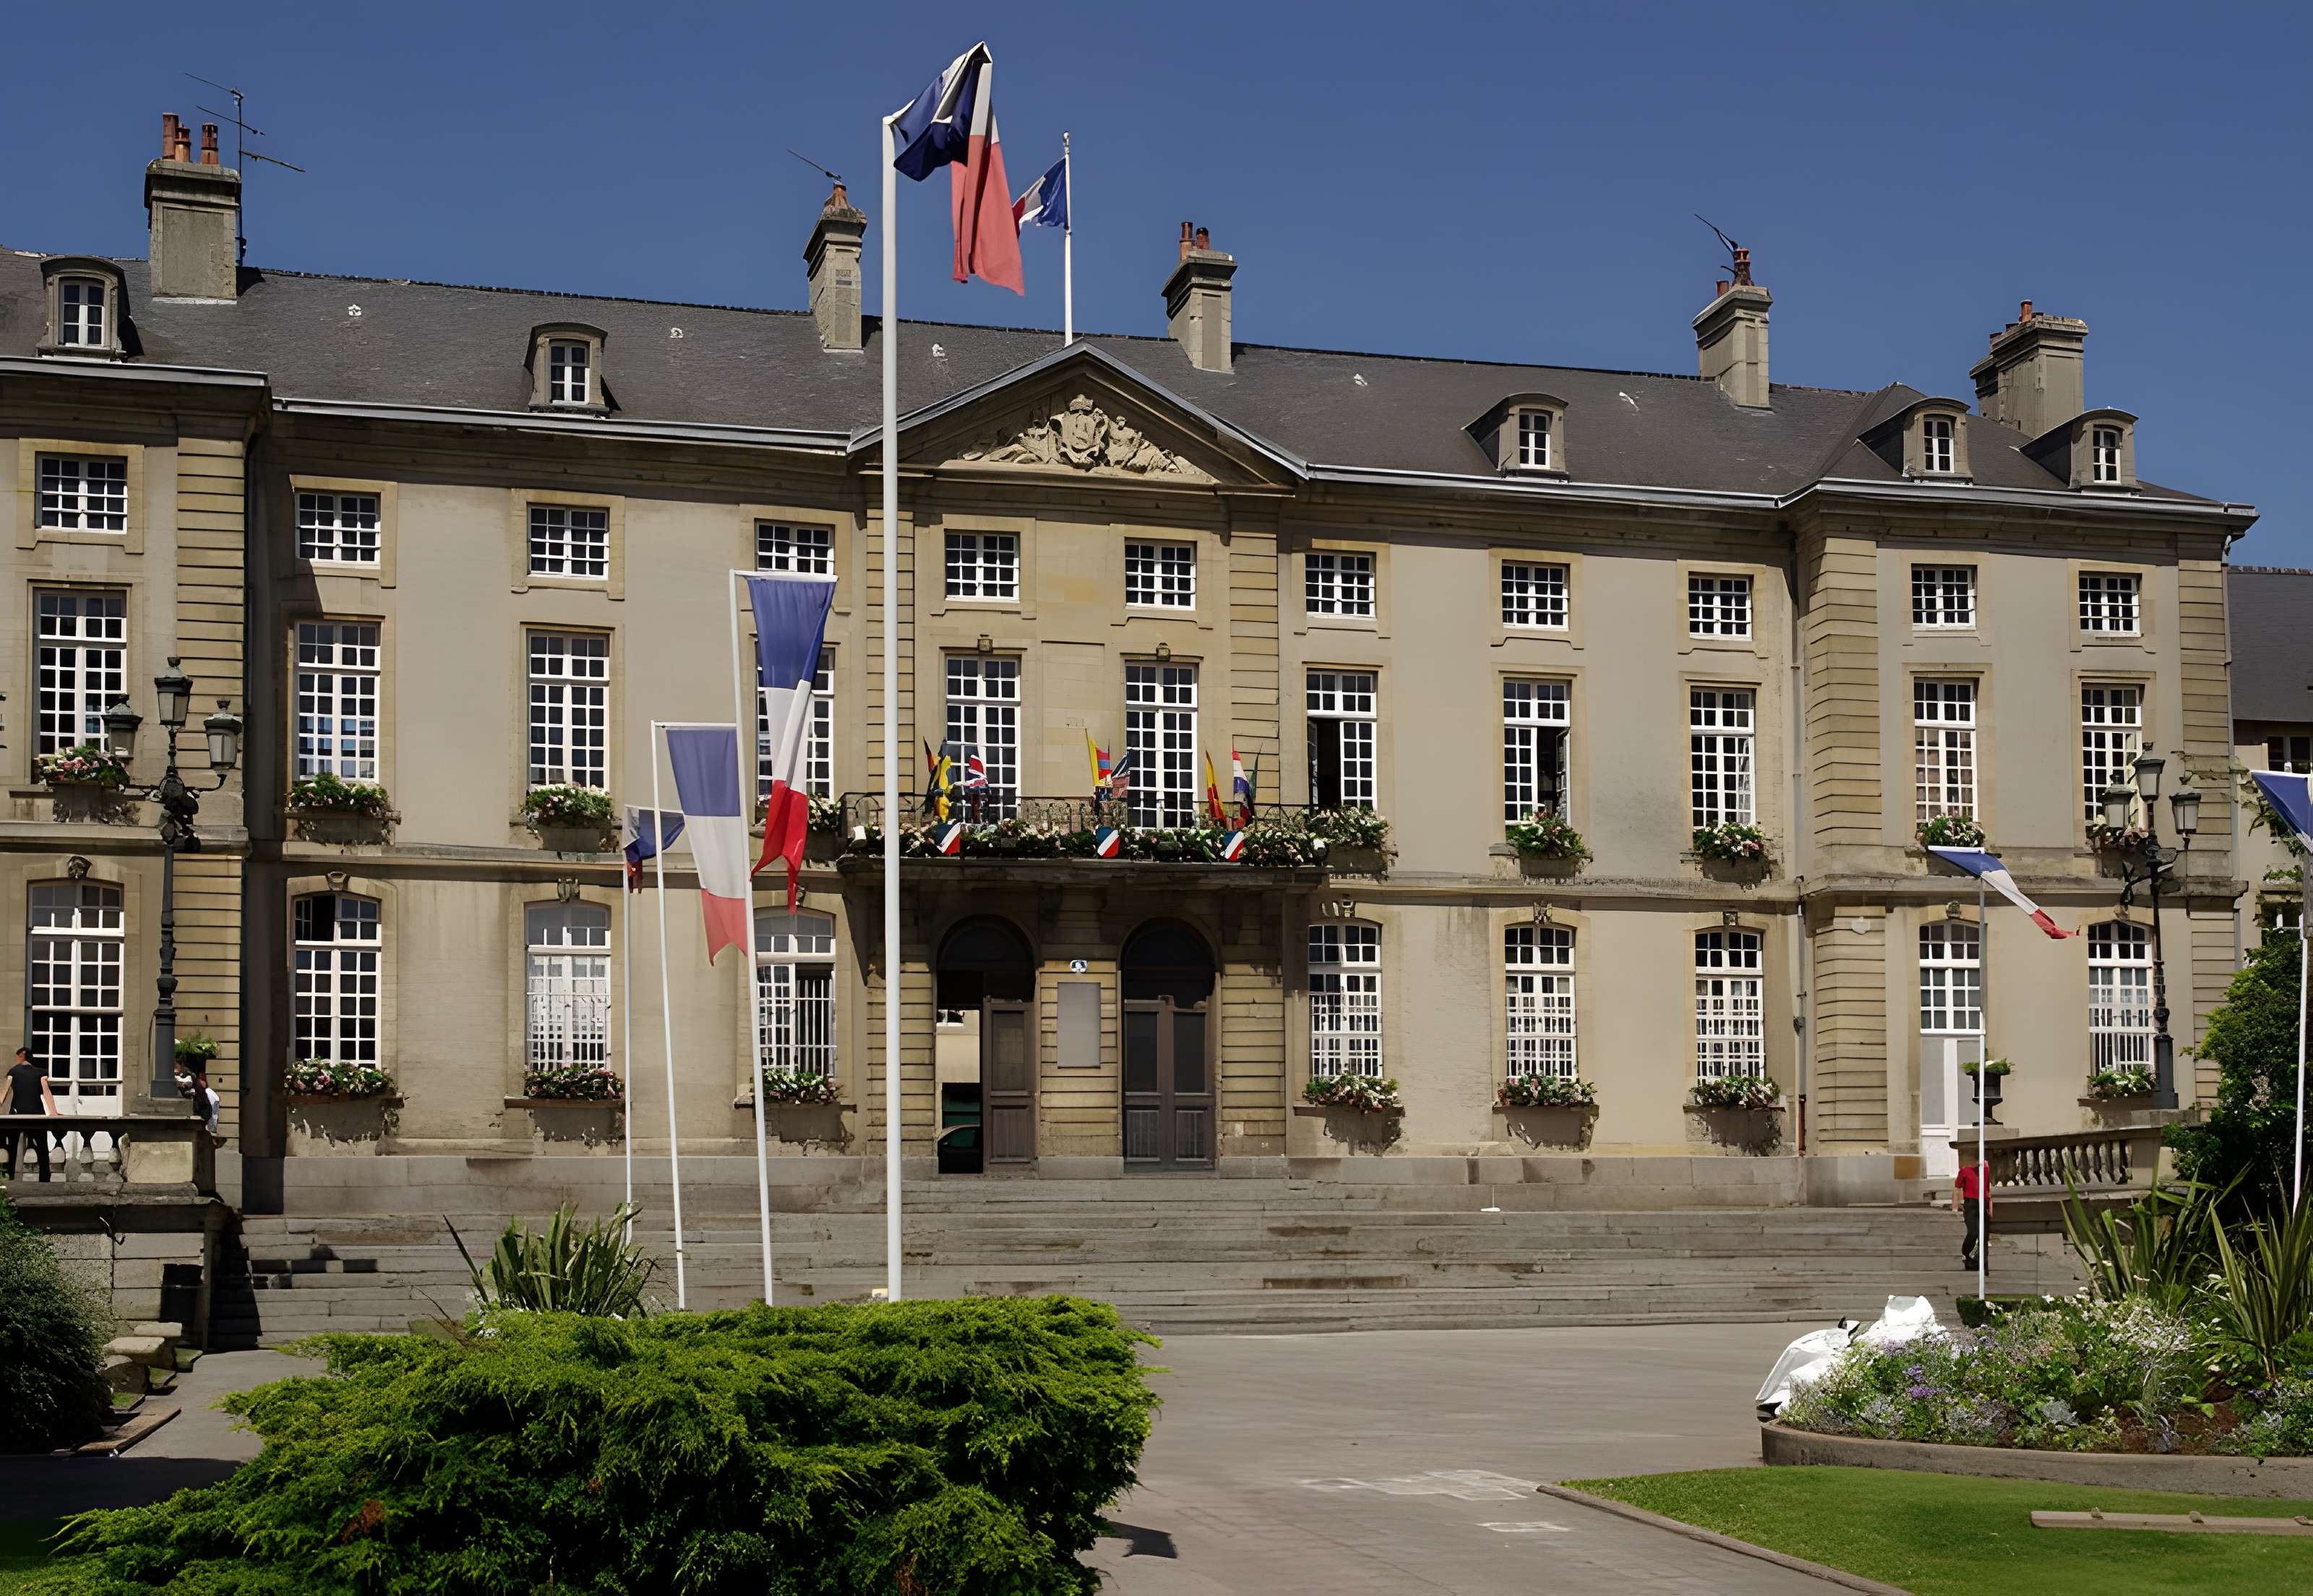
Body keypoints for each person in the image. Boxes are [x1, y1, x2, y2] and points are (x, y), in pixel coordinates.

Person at [4, 1045, 59, 1183]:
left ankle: (9, 1176)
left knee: (12, 1147)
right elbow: (47, 1093)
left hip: (16, 1114)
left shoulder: (13, 1071)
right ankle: (45, 1178)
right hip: (36, 1114)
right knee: (42, 1148)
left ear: (22, 1055)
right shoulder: (41, 1073)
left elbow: (3, 1094)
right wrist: (54, 1113)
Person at [1952, 1150, 1991, 1269]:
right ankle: (1966, 1253)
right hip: (1971, 1204)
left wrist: (1990, 1207)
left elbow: (1988, 1189)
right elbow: (1957, 1188)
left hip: (1983, 1203)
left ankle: (1982, 1260)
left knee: (1983, 1234)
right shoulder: (1965, 1171)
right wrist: (1955, 1206)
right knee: (1973, 1232)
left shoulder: (1986, 1170)